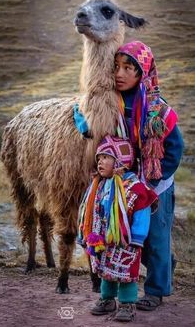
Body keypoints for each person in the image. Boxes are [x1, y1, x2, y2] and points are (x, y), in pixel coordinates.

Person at [74, 41, 184, 311]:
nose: (120, 74)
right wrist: (84, 122)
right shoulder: (111, 104)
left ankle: (156, 291)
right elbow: (96, 129)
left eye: (128, 68)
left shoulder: (157, 111)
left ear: (142, 72)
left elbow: (175, 147)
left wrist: (152, 182)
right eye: (116, 67)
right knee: (121, 236)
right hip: (120, 185)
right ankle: (118, 287)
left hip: (154, 185)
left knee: (155, 238)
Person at [77, 135, 158, 322]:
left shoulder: (136, 188)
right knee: (105, 271)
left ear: (121, 161)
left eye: (106, 157)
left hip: (126, 242)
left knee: (125, 273)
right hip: (104, 242)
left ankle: (127, 303)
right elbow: (91, 210)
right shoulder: (99, 184)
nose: (100, 162)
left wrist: (137, 237)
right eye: (98, 158)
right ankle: (107, 300)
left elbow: (142, 214)